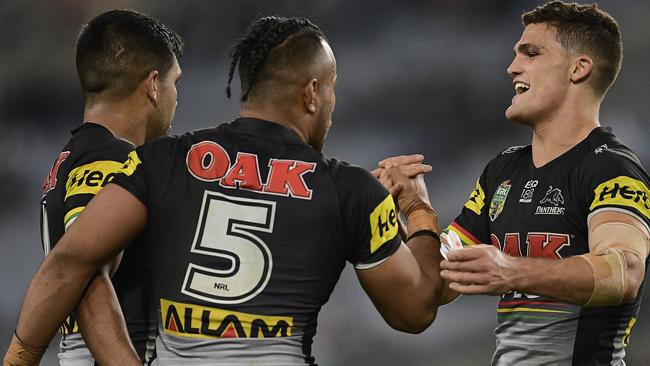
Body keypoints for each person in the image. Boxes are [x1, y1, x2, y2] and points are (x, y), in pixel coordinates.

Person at [5, 16, 445, 365]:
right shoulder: (351, 190)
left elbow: (71, 264)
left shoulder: (161, 161)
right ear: (312, 93)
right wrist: (418, 211)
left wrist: (19, 358)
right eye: (331, 89)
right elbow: (415, 311)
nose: (331, 103)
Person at [378, 2, 649, 365]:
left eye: (531, 53)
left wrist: (511, 270)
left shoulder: (611, 168)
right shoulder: (502, 171)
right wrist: (415, 211)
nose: (512, 67)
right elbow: (435, 284)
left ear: (579, 68)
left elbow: (624, 271)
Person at [4, 10, 184, 366]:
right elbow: (83, 273)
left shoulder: (74, 156)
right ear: (152, 85)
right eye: (174, 82)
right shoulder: (112, 158)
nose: (175, 96)